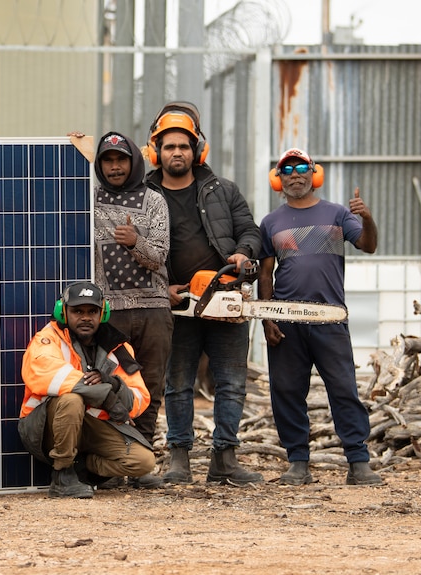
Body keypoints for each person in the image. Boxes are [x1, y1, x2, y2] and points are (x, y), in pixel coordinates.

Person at [145, 102, 263, 485]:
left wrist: (243, 253)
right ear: (155, 151)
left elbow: (250, 231)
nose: (176, 152)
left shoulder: (222, 191)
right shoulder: (143, 193)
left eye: (183, 145)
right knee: (177, 383)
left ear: (197, 150)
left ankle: (225, 458)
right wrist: (163, 288)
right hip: (177, 305)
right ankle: (179, 457)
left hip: (225, 297)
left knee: (231, 381)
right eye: (169, 147)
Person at [259, 148, 382, 486]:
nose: (295, 174)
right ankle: (297, 463)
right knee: (286, 391)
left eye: (301, 167)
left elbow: (368, 246)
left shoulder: (339, 214)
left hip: (330, 319)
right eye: (287, 169)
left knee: (344, 390)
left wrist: (367, 218)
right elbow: (265, 274)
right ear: (278, 179)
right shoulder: (270, 222)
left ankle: (358, 462)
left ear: (314, 173)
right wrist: (267, 317)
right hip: (286, 321)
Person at [19, 281, 155, 498]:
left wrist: (115, 384)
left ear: (103, 313)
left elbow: (138, 400)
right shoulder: (47, 339)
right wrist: (107, 397)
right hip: (44, 427)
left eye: (92, 311)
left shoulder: (119, 348)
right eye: (77, 311)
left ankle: (82, 467)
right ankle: (62, 474)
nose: (85, 317)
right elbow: (52, 376)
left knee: (143, 461)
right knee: (72, 399)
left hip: (92, 426)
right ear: (62, 312)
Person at [91, 131, 172, 489]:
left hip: (154, 310)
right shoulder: (86, 199)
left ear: (133, 162)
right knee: (111, 385)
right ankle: (116, 462)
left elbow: (159, 257)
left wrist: (135, 241)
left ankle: (142, 463)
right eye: (107, 160)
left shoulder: (154, 201)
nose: (114, 166)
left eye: (120, 159)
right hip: (109, 313)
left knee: (151, 387)